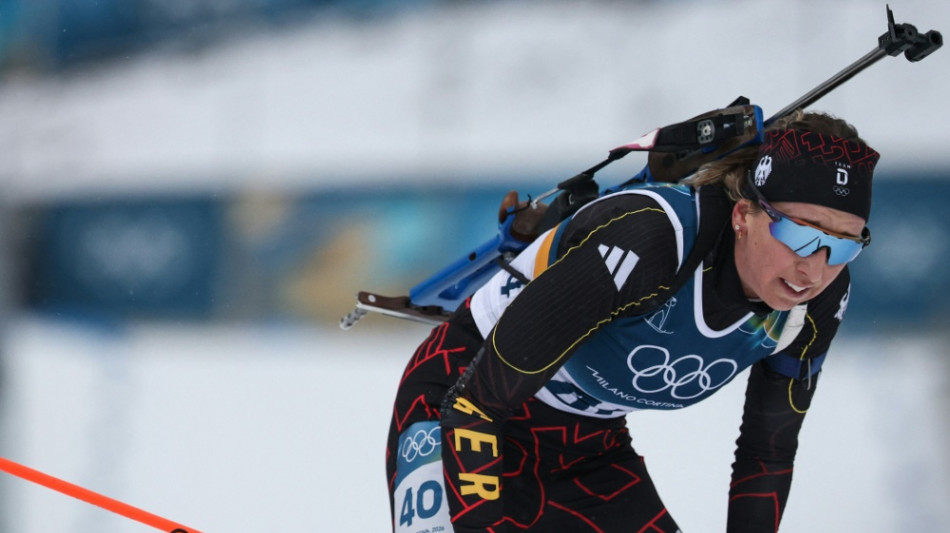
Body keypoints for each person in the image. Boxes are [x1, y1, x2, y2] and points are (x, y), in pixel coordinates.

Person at [385, 109, 880, 533]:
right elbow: (476, 406)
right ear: (744, 215)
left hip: (587, 452)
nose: (814, 267)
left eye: (844, 244)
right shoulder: (651, 243)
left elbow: (766, 452)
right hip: (462, 401)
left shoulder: (815, 302)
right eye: (800, 233)